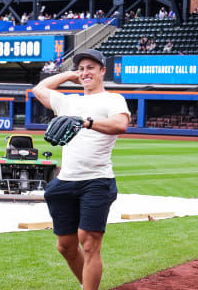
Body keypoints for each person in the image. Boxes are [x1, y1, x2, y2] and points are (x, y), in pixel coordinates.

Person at [32, 49, 130, 290]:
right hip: (65, 181)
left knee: (89, 244)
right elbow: (39, 89)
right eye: (82, 68)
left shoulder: (113, 99)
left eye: (91, 68)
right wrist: (67, 75)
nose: (86, 73)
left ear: (102, 71)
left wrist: (87, 122)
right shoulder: (69, 101)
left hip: (96, 180)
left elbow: (120, 124)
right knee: (65, 246)